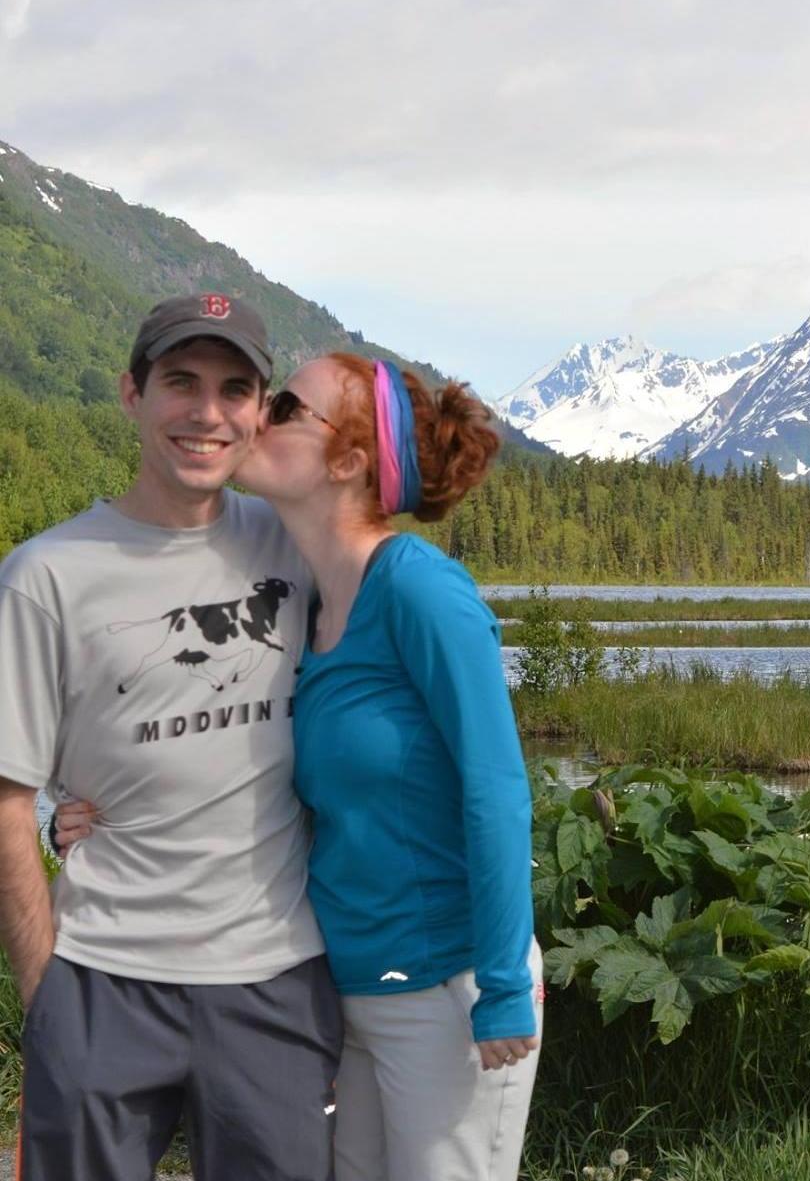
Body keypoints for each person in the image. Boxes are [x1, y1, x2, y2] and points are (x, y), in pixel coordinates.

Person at [59, 351, 542, 1181]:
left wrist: (501, 984)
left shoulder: (422, 591)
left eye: (284, 405)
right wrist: (102, 804)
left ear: (347, 461)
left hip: (444, 985)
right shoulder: (307, 601)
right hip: (347, 985)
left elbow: (496, 790)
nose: (257, 415)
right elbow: (247, 749)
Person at [0, 294, 342, 1181]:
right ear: (131, 394)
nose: (207, 411)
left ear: (261, 413)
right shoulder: (46, 576)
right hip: (100, 977)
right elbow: (7, 796)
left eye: (235, 388)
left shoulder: (297, 546)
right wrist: (47, 993)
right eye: (180, 382)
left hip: (277, 976)